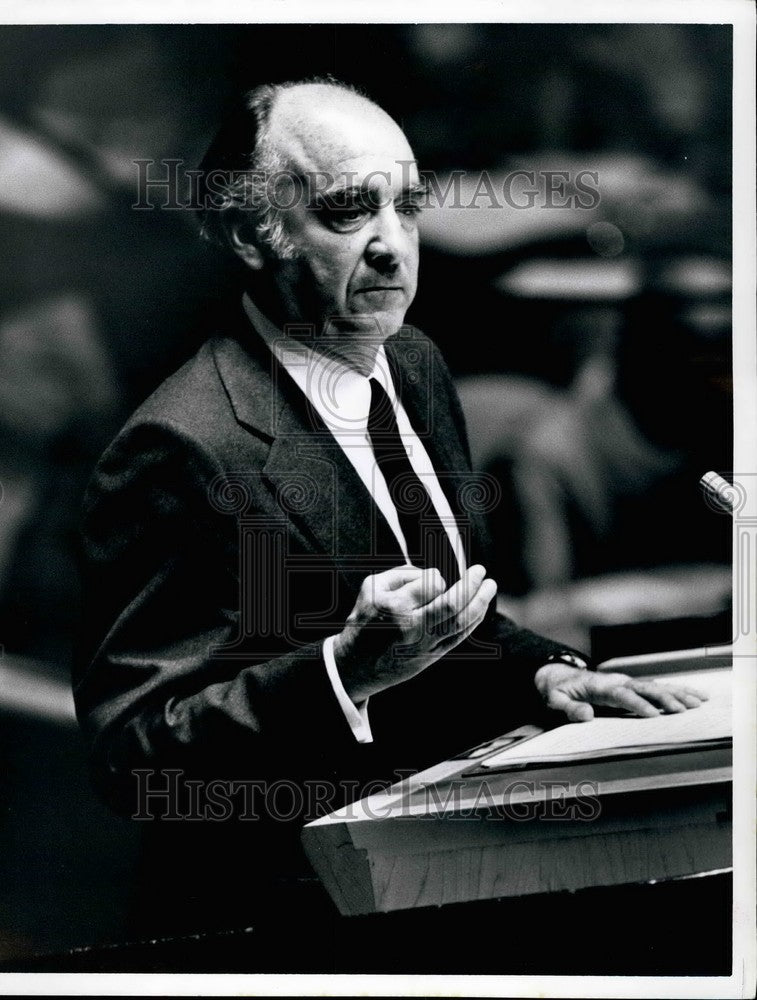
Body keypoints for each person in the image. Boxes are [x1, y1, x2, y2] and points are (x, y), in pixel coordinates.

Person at [74, 78, 707, 949]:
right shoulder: (179, 447)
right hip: (282, 919)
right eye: (345, 211)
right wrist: (340, 673)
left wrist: (542, 673)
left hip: (449, 872)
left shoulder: (413, 362)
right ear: (246, 234)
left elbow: (443, 620)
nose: (392, 247)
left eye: (406, 208)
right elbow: (134, 754)